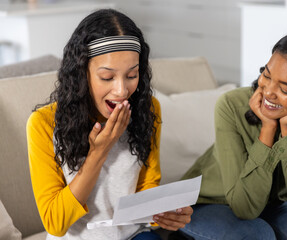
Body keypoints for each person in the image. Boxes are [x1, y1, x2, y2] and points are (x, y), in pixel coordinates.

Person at [26, 9, 192, 240]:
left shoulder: (148, 108)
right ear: (82, 74)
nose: (122, 91)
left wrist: (163, 212)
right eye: (107, 77)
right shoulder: (43, 124)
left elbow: (147, 186)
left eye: (132, 75)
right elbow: (55, 222)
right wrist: (99, 152)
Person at [180, 29, 287, 240]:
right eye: (267, 75)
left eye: (286, 90)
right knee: (256, 234)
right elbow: (245, 208)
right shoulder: (231, 105)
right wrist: (268, 128)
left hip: (273, 204)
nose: (268, 92)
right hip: (210, 202)